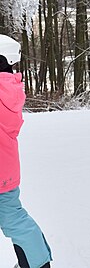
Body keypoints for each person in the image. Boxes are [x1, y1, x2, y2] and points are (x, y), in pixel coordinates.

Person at [0, 35, 52, 268]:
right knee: (15, 219)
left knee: (14, 219)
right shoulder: (9, 89)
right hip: (6, 172)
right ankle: (37, 262)